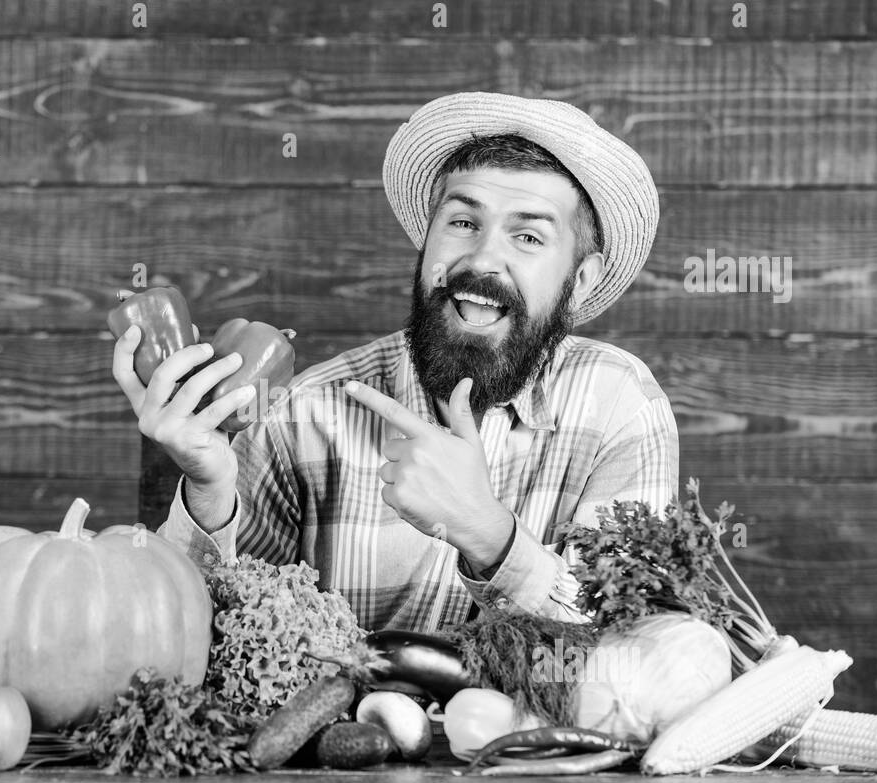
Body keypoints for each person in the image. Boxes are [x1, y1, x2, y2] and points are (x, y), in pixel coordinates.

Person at [111, 92, 678, 633]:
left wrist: (488, 532)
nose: (483, 258)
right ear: (426, 241)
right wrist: (209, 489)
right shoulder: (305, 412)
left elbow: (634, 650)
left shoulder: (620, 409)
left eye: (528, 236)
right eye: (462, 223)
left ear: (579, 282)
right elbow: (200, 639)